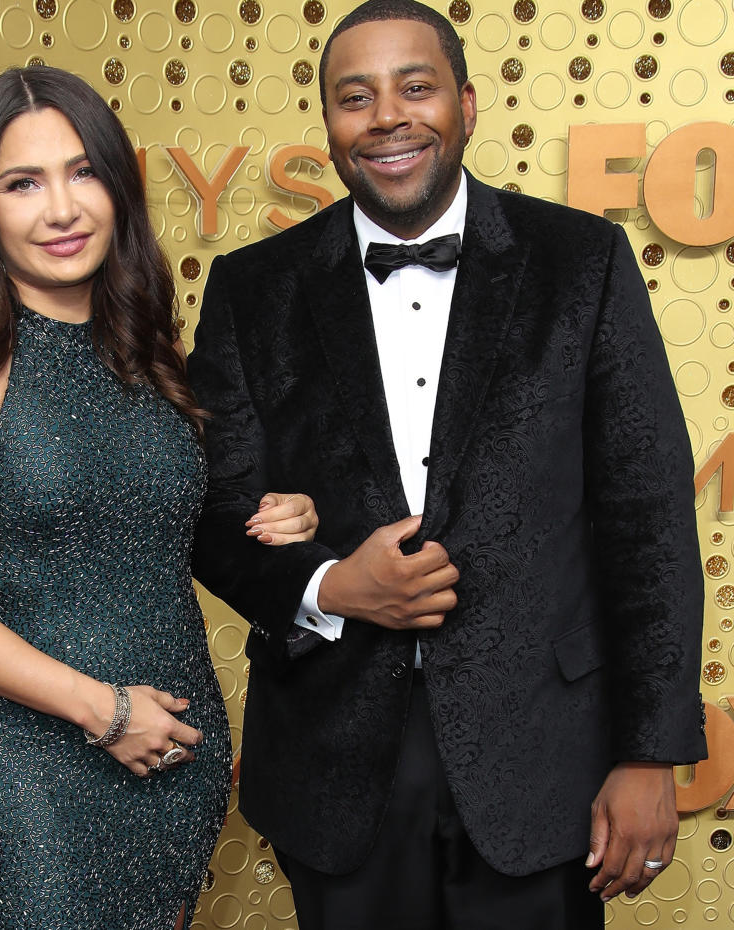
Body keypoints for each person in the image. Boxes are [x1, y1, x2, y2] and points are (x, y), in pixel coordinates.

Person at [187, 2, 707, 928]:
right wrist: (332, 585)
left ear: (466, 103)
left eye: (415, 87)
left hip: (546, 755)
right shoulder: (253, 288)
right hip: (335, 761)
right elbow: (212, 513)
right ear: (330, 126)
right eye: (357, 97)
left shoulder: (581, 261)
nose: (387, 116)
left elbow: (649, 515)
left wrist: (649, 754)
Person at [0, 66, 319, 930]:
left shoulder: (148, 354)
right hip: (27, 770)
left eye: (83, 172)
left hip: (176, 759)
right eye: (23, 183)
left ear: (118, 187)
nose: (62, 209)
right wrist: (102, 710)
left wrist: (283, 516)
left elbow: (162, 532)